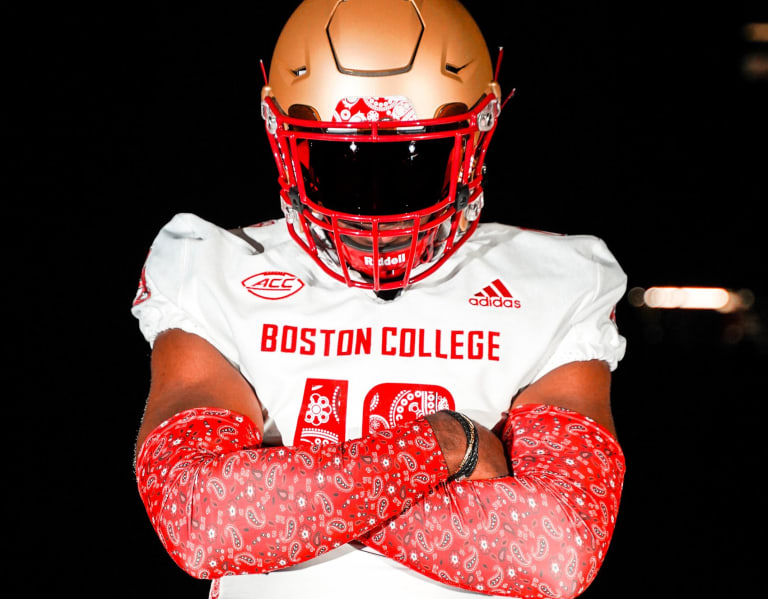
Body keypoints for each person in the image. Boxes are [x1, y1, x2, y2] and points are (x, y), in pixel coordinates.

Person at [131, 1, 627, 598]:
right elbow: (202, 521)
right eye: (339, 164)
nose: (378, 207)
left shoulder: (558, 280)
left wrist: (291, 504)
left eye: (414, 163)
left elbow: (557, 550)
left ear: (481, 127)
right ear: (279, 132)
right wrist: (448, 445)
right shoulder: (212, 265)